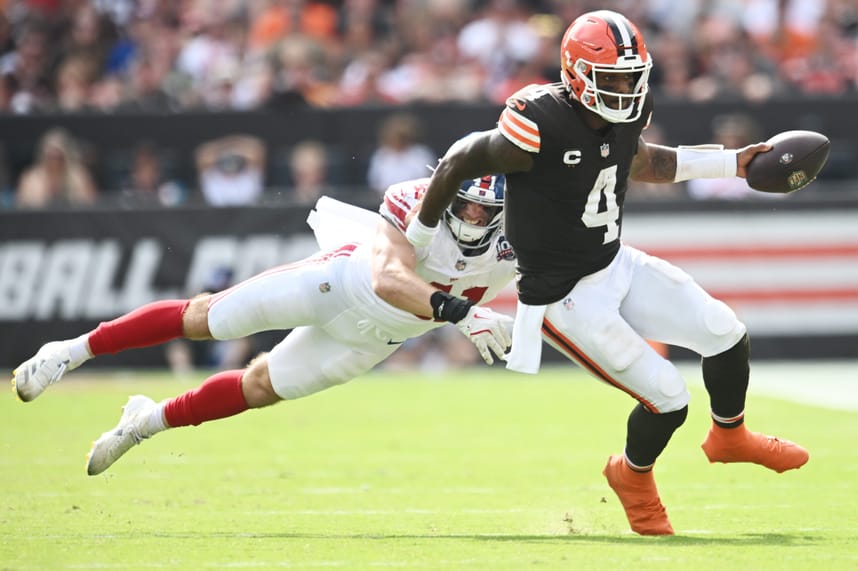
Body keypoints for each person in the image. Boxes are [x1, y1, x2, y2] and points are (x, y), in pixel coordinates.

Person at [405, 10, 809, 536]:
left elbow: (641, 162)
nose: (624, 89)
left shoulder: (629, 111)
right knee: (668, 399)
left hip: (613, 261)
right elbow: (461, 156)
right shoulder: (539, 119)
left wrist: (730, 162)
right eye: (611, 79)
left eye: (631, 76)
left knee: (725, 333)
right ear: (575, 74)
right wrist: (418, 234)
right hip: (564, 296)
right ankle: (631, 475)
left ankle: (730, 436)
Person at [12, 170, 516, 477]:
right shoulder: (416, 200)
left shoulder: (518, 247)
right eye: (465, 204)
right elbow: (388, 278)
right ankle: (71, 351)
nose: (472, 216)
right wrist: (463, 313)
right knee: (208, 318)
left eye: (484, 209)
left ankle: (145, 422)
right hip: (340, 284)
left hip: (374, 340)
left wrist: (523, 324)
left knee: (261, 387)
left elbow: (556, 294)